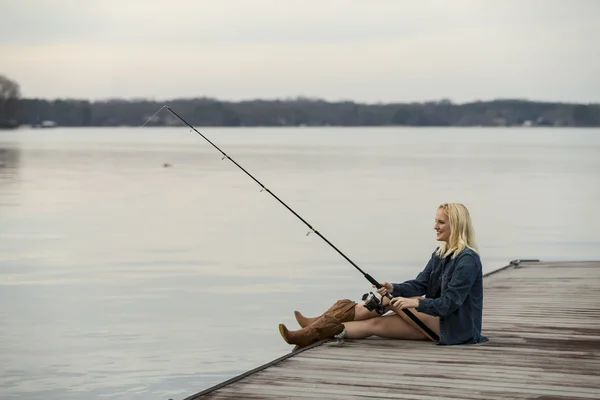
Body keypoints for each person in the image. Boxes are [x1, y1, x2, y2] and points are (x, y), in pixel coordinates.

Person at [278, 202, 489, 349]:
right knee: (375, 325)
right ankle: (313, 333)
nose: (435, 226)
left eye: (441, 222)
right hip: (438, 324)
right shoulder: (440, 253)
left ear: (456, 225)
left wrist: (413, 303)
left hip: (456, 328)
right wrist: (393, 287)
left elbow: (449, 303)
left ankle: (315, 324)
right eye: (435, 221)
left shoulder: (467, 260)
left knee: (385, 300)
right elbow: (420, 284)